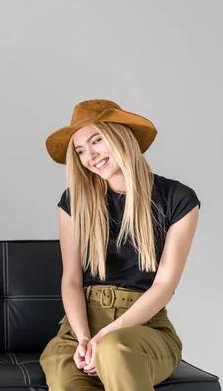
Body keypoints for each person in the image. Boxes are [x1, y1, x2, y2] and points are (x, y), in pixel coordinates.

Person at [39, 100, 200, 391]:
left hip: (144, 327)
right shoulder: (74, 202)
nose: (90, 156)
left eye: (96, 140)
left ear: (120, 135)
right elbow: (72, 281)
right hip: (80, 325)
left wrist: (106, 337)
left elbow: (164, 286)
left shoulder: (178, 198)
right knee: (63, 377)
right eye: (80, 151)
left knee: (114, 350)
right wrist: (85, 338)